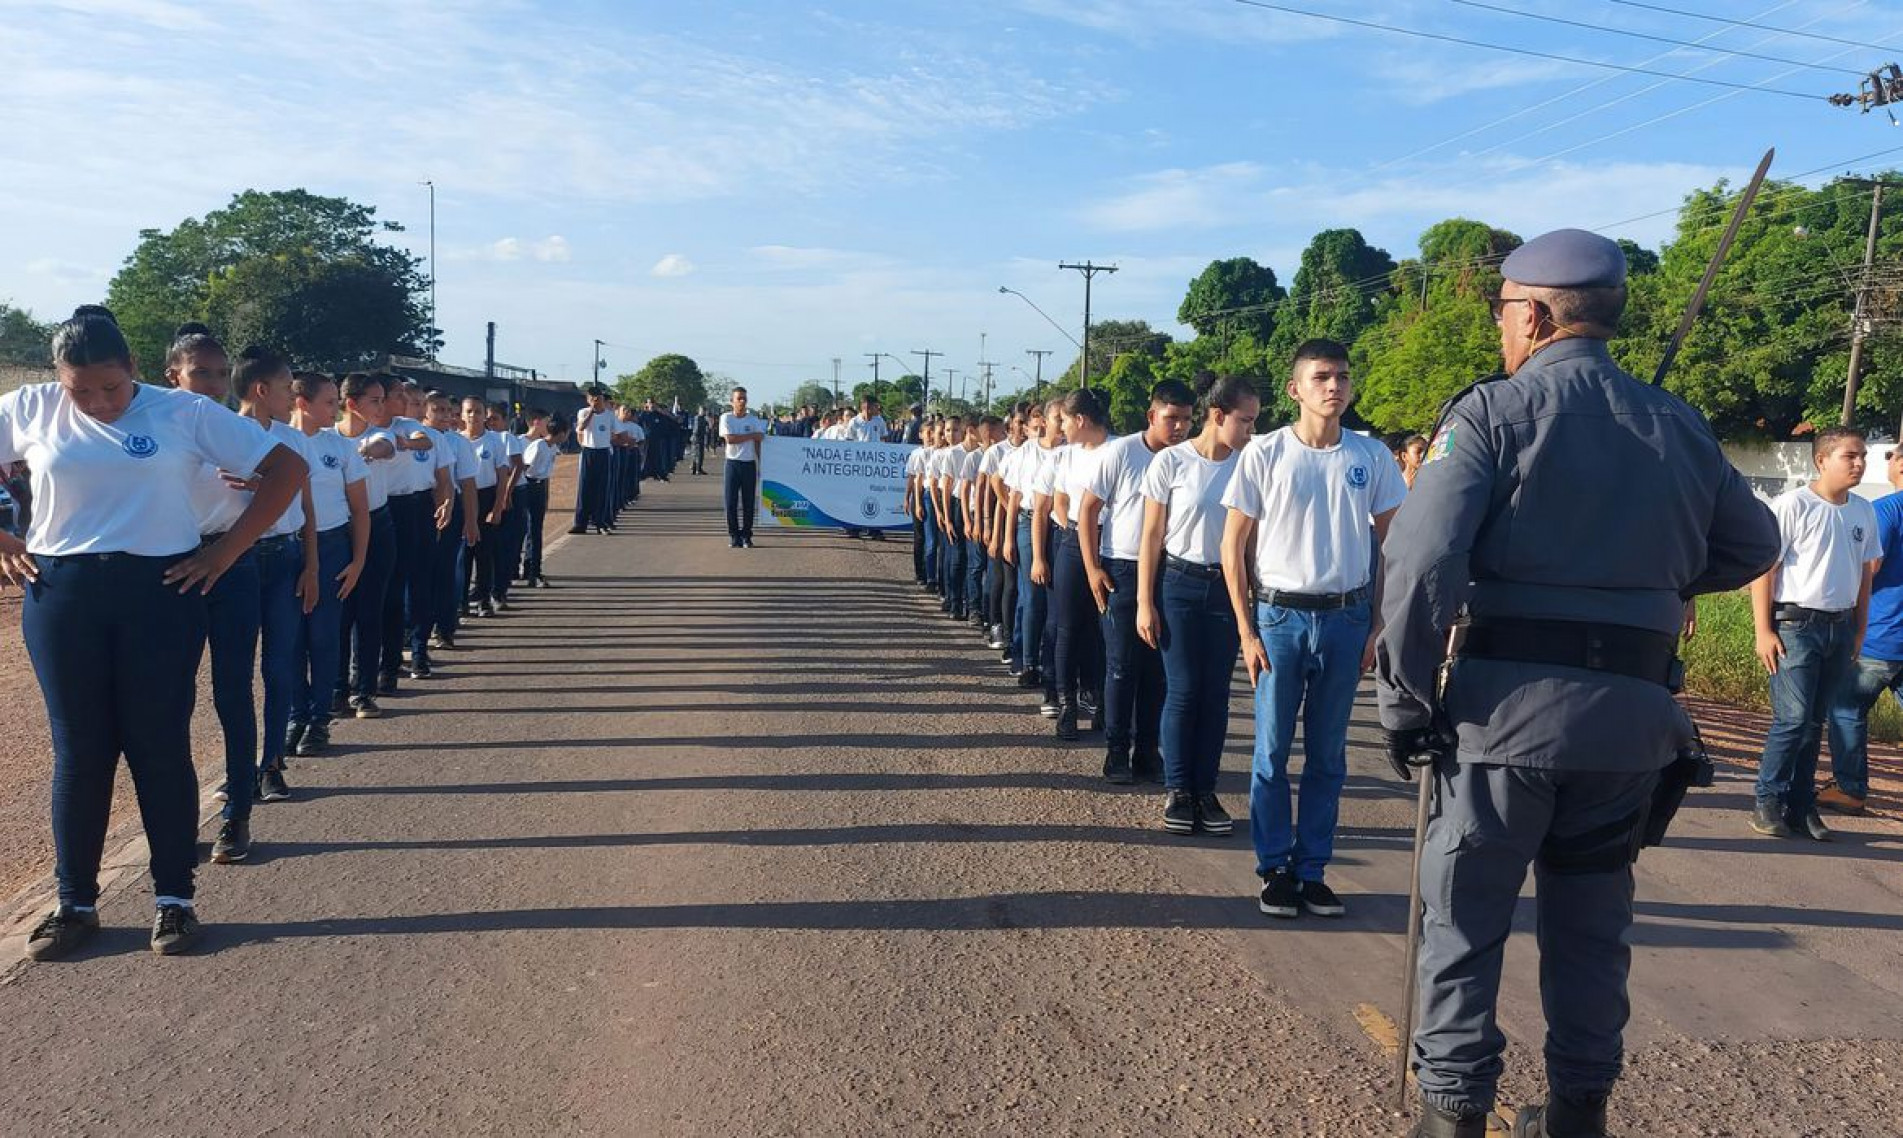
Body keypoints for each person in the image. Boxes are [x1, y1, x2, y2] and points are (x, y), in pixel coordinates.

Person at [1376, 229, 1780, 1137]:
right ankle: (1576, 1114)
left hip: (1501, 722)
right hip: (1629, 726)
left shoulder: (1489, 414)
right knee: (1593, 931)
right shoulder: (1675, 421)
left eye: (1503, 313)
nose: (1500, 331)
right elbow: (1753, 547)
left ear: (1536, 314)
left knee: (1462, 926)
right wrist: (1645, 582)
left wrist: (1403, 706)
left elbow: (1419, 565)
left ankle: (1450, 1118)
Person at [3, 306, 307, 959]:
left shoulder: (183, 412)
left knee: (157, 744)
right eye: (79, 389)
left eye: (109, 388)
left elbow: (286, 470)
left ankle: (174, 901)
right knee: (80, 750)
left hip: (161, 592)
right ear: (59, 378)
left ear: (134, 368)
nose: (96, 402)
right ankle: (75, 903)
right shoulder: (30, 408)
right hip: (62, 594)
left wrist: (225, 554)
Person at [1222, 338, 1405, 920]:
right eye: (1322, 377)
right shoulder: (1265, 453)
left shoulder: (1372, 457)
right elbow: (1233, 547)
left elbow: (1391, 546)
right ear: (1295, 389)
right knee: (1272, 751)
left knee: (1328, 755)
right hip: (1279, 618)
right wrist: (1247, 631)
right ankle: (1274, 867)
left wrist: (1379, 623)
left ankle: (1313, 869)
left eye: (1343, 377)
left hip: (1346, 616)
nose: (1335, 387)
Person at [208, 347, 318, 862]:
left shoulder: (291, 439)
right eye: (285, 385)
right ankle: (237, 773)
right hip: (239, 559)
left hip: (287, 558)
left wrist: (313, 565)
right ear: (259, 390)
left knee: (279, 665)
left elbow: (307, 506)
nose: (292, 393)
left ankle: (270, 762)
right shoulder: (218, 434)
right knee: (234, 673)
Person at [1137, 374, 1258, 834]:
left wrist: (1252, 603)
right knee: (1184, 690)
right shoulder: (1171, 462)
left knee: (1217, 696)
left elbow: (1250, 545)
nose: (1249, 430)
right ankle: (1179, 789)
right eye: (1244, 421)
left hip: (1227, 590)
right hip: (1180, 584)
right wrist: (1145, 601)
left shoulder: (1247, 466)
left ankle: (1206, 791)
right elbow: (1151, 536)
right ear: (1217, 415)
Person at [1750, 426, 1880, 841]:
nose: (1859, 463)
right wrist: (1763, 630)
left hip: (1839, 627)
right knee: (1791, 719)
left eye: (1862, 456)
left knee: (1814, 723)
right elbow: (1764, 570)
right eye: (1850, 456)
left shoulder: (1863, 511)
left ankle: (1801, 806)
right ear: (1822, 460)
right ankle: (1767, 800)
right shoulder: (1792, 505)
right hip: (1795, 627)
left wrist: (1860, 629)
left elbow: (1864, 575)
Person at [1080, 380, 1196, 784]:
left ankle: (1148, 750)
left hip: (1170, 571)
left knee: (1157, 670)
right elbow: (1088, 510)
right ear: (1152, 416)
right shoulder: (1122, 452)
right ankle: (1116, 751)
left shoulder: (1187, 458)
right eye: (1171, 418)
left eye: (1185, 419)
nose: (1179, 427)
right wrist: (1093, 568)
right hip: (1122, 569)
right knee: (1122, 666)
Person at [286, 373, 370, 762]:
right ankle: (295, 716)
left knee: (323, 637)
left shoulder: (341, 448)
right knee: (288, 641)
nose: (335, 409)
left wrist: (358, 561)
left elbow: (359, 510)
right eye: (327, 401)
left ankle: (319, 720)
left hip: (333, 546)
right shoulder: (275, 441)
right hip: (287, 548)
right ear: (301, 403)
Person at [1823, 445, 1903, 815]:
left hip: (1881, 634)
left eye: (1889, 457)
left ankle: (1850, 789)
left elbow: (1868, 569)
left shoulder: (1887, 510)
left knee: (1845, 707)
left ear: (1900, 464)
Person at [1047, 391, 1115, 741]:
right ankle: (1067, 704)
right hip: (1072, 541)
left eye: (1063, 420)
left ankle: (1105, 703)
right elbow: (1059, 500)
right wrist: (1069, 526)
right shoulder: (1067, 456)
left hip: (1113, 545)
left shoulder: (1118, 450)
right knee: (1068, 628)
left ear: (1080, 420)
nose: (1059, 428)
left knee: (1106, 630)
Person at [421, 391, 480, 655]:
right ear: (425, 410)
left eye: (449, 410)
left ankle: (444, 628)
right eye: (439, 410)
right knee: (419, 573)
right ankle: (414, 629)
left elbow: (467, 485)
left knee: (445, 572)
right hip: (420, 509)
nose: (445, 416)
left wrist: (471, 521)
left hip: (450, 510)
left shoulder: (458, 443)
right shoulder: (411, 438)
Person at [460, 396, 512, 617]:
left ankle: (483, 599)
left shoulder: (494, 441)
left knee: (485, 553)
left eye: (478, 411)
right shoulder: (456, 441)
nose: (474, 416)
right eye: (469, 411)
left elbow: (502, 476)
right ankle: (461, 600)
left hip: (487, 497)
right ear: (462, 415)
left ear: (485, 415)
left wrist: (497, 507)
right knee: (463, 555)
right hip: (462, 500)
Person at [518, 410, 564, 588]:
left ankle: (533, 570)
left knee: (536, 530)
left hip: (540, 486)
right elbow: (524, 467)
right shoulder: (537, 445)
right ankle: (526, 570)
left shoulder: (552, 447)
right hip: (528, 485)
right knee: (525, 529)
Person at [719, 386, 768, 547]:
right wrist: (751, 435)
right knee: (730, 502)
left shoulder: (753, 420)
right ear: (731, 401)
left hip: (748, 464)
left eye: (744, 399)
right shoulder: (726, 418)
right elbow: (730, 439)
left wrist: (762, 464)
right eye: (739, 398)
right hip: (732, 463)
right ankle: (734, 535)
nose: (742, 401)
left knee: (749, 502)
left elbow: (759, 441)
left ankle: (747, 535)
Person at [570, 385, 616, 534]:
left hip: (603, 452)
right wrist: (592, 411)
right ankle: (580, 523)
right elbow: (581, 428)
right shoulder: (583, 412)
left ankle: (600, 522)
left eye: (598, 398)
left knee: (602, 488)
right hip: (588, 451)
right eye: (592, 399)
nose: (596, 401)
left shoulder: (609, 415)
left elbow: (615, 432)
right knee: (585, 488)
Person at [691, 406, 712, 475]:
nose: (703, 412)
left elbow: (710, 427)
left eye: (704, 411)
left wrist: (709, 421)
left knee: (696, 454)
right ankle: (698, 469)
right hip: (697, 438)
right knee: (699, 454)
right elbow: (697, 429)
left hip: (698, 438)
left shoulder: (703, 418)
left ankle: (695, 469)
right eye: (702, 410)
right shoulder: (698, 418)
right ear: (699, 411)